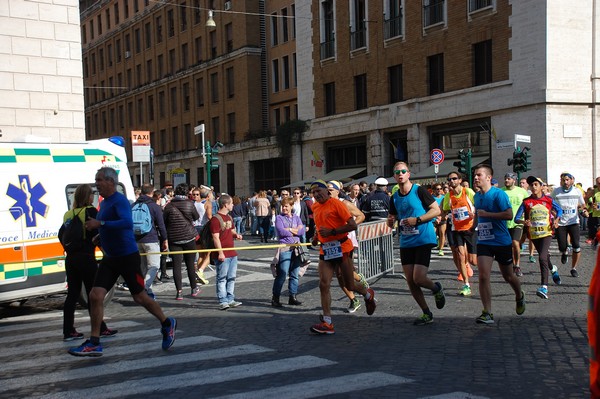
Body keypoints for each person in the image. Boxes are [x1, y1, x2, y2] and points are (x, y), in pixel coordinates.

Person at [68, 167, 176, 356]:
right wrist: (100, 236)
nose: (96, 184)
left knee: (139, 297)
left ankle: (167, 323)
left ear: (111, 182)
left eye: (99, 180)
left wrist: (100, 224)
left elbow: (127, 223)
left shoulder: (120, 201)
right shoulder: (105, 203)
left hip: (127, 257)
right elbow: (110, 226)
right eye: (96, 180)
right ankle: (94, 342)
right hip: (111, 257)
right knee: (95, 295)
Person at [309, 180, 376, 334]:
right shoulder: (315, 206)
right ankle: (327, 323)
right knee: (323, 284)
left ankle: (367, 294)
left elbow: (352, 225)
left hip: (342, 247)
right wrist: (315, 236)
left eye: (319, 191)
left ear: (327, 191)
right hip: (326, 249)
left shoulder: (338, 205)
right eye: (314, 193)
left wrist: (332, 232)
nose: (317, 195)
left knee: (349, 284)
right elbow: (319, 226)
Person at [387, 162, 445, 325]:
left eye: (403, 171)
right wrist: (390, 222)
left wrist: (417, 220)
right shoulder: (395, 197)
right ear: (394, 176)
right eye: (397, 172)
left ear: (408, 174)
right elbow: (391, 219)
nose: (400, 174)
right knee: (411, 281)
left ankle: (436, 288)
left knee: (419, 278)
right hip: (406, 241)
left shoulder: (419, 191)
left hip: (423, 238)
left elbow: (436, 210)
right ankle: (426, 313)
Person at [61, 184, 116, 341]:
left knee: (72, 294)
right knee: (94, 295)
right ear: (88, 197)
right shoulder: (91, 212)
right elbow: (99, 234)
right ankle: (101, 329)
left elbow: (62, 235)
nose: (93, 197)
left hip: (71, 258)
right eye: (91, 194)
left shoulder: (68, 214)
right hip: (86, 257)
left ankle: (68, 331)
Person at [472, 164, 525, 324]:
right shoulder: (477, 196)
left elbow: (509, 215)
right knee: (483, 276)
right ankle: (487, 312)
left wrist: (488, 214)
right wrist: (472, 226)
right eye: (475, 175)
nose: (475, 178)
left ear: (488, 177)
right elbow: (478, 215)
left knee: (508, 276)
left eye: (479, 175)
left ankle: (519, 295)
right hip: (484, 240)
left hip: (501, 240)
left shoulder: (498, 195)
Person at [515, 176, 563, 299]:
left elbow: (560, 210)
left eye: (536, 184)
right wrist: (523, 222)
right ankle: (553, 269)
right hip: (534, 234)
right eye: (531, 185)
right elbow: (516, 218)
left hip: (547, 233)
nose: (533, 187)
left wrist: (557, 220)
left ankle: (544, 287)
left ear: (542, 186)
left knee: (542, 257)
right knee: (545, 256)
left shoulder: (548, 200)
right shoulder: (526, 202)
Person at [327, 180, 370, 313]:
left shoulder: (344, 203)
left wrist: (348, 227)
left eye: (330, 190)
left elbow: (361, 216)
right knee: (339, 275)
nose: (327, 193)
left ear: (337, 191)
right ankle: (353, 299)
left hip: (345, 242)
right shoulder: (322, 205)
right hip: (330, 243)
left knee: (342, 273)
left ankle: (361, 285)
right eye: (325, 190)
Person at [163, 183, 201, 300]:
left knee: (176, 266)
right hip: (189, 237)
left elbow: (164, 222)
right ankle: (193, 288)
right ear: (186, 193)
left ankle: (179, 292)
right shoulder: (190, 204)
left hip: (174, 238)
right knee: (190, 264)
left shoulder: (169, 206)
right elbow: (196, 217)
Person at [442, 171, 476, 297]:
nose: (451, 181)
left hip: (470, 228)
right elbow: (444, 210)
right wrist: (441, 217)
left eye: (454, 179)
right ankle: (466, 285)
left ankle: (472, 266)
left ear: (460, 180)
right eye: (449, 179)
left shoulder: (468, 192)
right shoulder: (448, 196)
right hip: (457, 229)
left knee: (474, 261)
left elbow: (478, 205)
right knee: (460, 255)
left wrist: (474, 214)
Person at [134, 183, 169, 300]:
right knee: (154, 265)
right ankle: (145, 287)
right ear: (152, 192)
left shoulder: (134, 205)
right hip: (151, 239)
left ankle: (146, 292)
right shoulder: (154, 206)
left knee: (142, 267)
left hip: (137, 239)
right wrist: (165, 239)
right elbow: (161, 225)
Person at [552, 172, 588, 277]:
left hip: (573, 222)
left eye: (568, 180)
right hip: (561, 223)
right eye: (564, 180)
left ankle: (574, 268)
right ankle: (564, 252)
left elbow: (582, 204)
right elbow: (551, 205)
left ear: (572, 180)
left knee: (576, 245)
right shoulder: (556, 191)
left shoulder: (577, 191)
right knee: (562, 247)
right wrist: (555, 215)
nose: (566, 182)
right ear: (561, 180)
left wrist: (583, 211)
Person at [211, 194, 244, 310]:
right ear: (226, 204)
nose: (233, 205)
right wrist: (220, 253)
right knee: (222, 277)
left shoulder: (229, 217)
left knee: (231, 277)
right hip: (223, 253)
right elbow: (215, 237)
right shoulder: (216, 219)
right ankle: (223, 300)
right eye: (231, 203)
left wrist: (236, 235)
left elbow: (231, 230)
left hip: (232, 253)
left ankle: (230, 299)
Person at [272, 197, 306, 307]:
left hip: (296, 249)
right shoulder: (279, 218)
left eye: (286, 206)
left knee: (294, 274)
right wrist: (295, 231)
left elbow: (301, 231)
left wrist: (290, 230)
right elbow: (281, 231)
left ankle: (293, 296)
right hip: (285, 248)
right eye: (283, 206)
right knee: (282, 274)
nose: (284, 208)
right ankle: (275, 298)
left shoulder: (296, 217)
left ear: (291, 206)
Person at [500, 172, 530, 277]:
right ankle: (510, 264)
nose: (506, 180)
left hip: (518, 222)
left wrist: (528, 219)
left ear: (514, 180)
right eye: (505, 178)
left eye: (508, 179)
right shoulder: (501, 191)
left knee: (515, 243)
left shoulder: (522, 192)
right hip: (504, 223)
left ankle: (517, 266)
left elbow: (528, 206)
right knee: (507, 246)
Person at [432, 183, 447, 256]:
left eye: (441, 189)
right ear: (434, 190)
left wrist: (444, 216)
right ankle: (436, 240)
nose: (439, 190)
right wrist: (435, 217)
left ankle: (441, 249)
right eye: (437, 189)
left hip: (442, 218)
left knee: (442, 233)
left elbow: (446, 208)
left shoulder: (444, 198)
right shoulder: (431, 198)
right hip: (433, 219)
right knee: (432, 233)